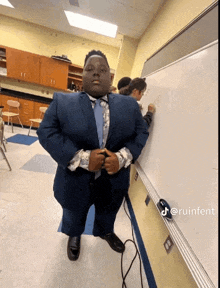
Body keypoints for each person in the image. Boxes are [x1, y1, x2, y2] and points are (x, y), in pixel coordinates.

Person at [37, 50, 149, 261]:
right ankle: (74, 235)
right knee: (73, 213)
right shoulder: (62, 102)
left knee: (108, 211)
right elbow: (46, 132)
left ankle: (105, 231)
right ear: (82, 75)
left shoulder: (130, 106)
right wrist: (82, 159)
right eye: (90, 69)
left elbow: (141, 133)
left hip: (113, 181)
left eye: (102, 70)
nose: (96, 74)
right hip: (74, 181)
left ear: (110, 77)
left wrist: (123, 157)